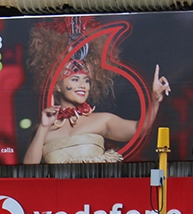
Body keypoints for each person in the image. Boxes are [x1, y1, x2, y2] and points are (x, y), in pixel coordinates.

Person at [23, 16, 170, 165]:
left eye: (86, 80)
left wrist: (155, 100)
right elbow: (28, 169)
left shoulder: (103, 120)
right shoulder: (41, 129)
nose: (83, 85)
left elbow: (140, 129)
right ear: (58, 85)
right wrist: (43, 127)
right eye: (75, 79)